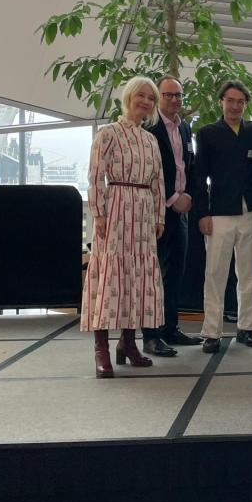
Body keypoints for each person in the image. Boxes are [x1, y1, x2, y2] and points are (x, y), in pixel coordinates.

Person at [81, 76, 165, 377]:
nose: (145, 102)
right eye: (141, 95)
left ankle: (128, 343)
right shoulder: (107, 134)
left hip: (142, 214)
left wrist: (159, 217)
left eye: (151, 98)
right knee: (110, 279)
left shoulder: (151, 140)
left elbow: (158, 181)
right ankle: (101, 348)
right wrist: (99, 213)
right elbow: (95, 176)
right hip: (115, 210)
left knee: (137, 278)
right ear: (129, 97)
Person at [192, 80, 252, 354]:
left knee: (250, 273)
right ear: (221, 102)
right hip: (218, 212)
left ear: (246, 104)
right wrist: (202, 214)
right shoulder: (208, 133)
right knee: (215, 274)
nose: (235, 106)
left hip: (250, 211)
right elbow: (199, 177)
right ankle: (211, 331)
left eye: (240, 102)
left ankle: (249, 327)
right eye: (230, 101)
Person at [142, 75, 200, 357]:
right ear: (158, 97)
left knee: (176, 272)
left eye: (178, 95)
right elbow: (151, 172)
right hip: (156, 212)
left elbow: (186, 167)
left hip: (181, 213)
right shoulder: (149, 128)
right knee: (154, 275)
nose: (175, 100)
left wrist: (187, 195)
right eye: (168, 95)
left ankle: (170, 328)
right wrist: (172, 199)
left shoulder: (186, 129)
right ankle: (151, 335)